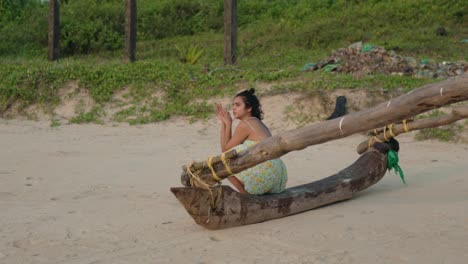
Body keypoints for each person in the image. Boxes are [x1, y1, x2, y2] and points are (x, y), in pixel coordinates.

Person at [215, 88, 288, 195]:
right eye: (233, 105)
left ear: (249, 108)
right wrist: (225, 123)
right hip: (278, 177)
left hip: (265, 175)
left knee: (222, 164)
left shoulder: (246, 124)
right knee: (235, 154)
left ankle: (245, 194)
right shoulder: (257, 122)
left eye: (238, 105)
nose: (234, 108)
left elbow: (225, 150)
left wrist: (227, 123)